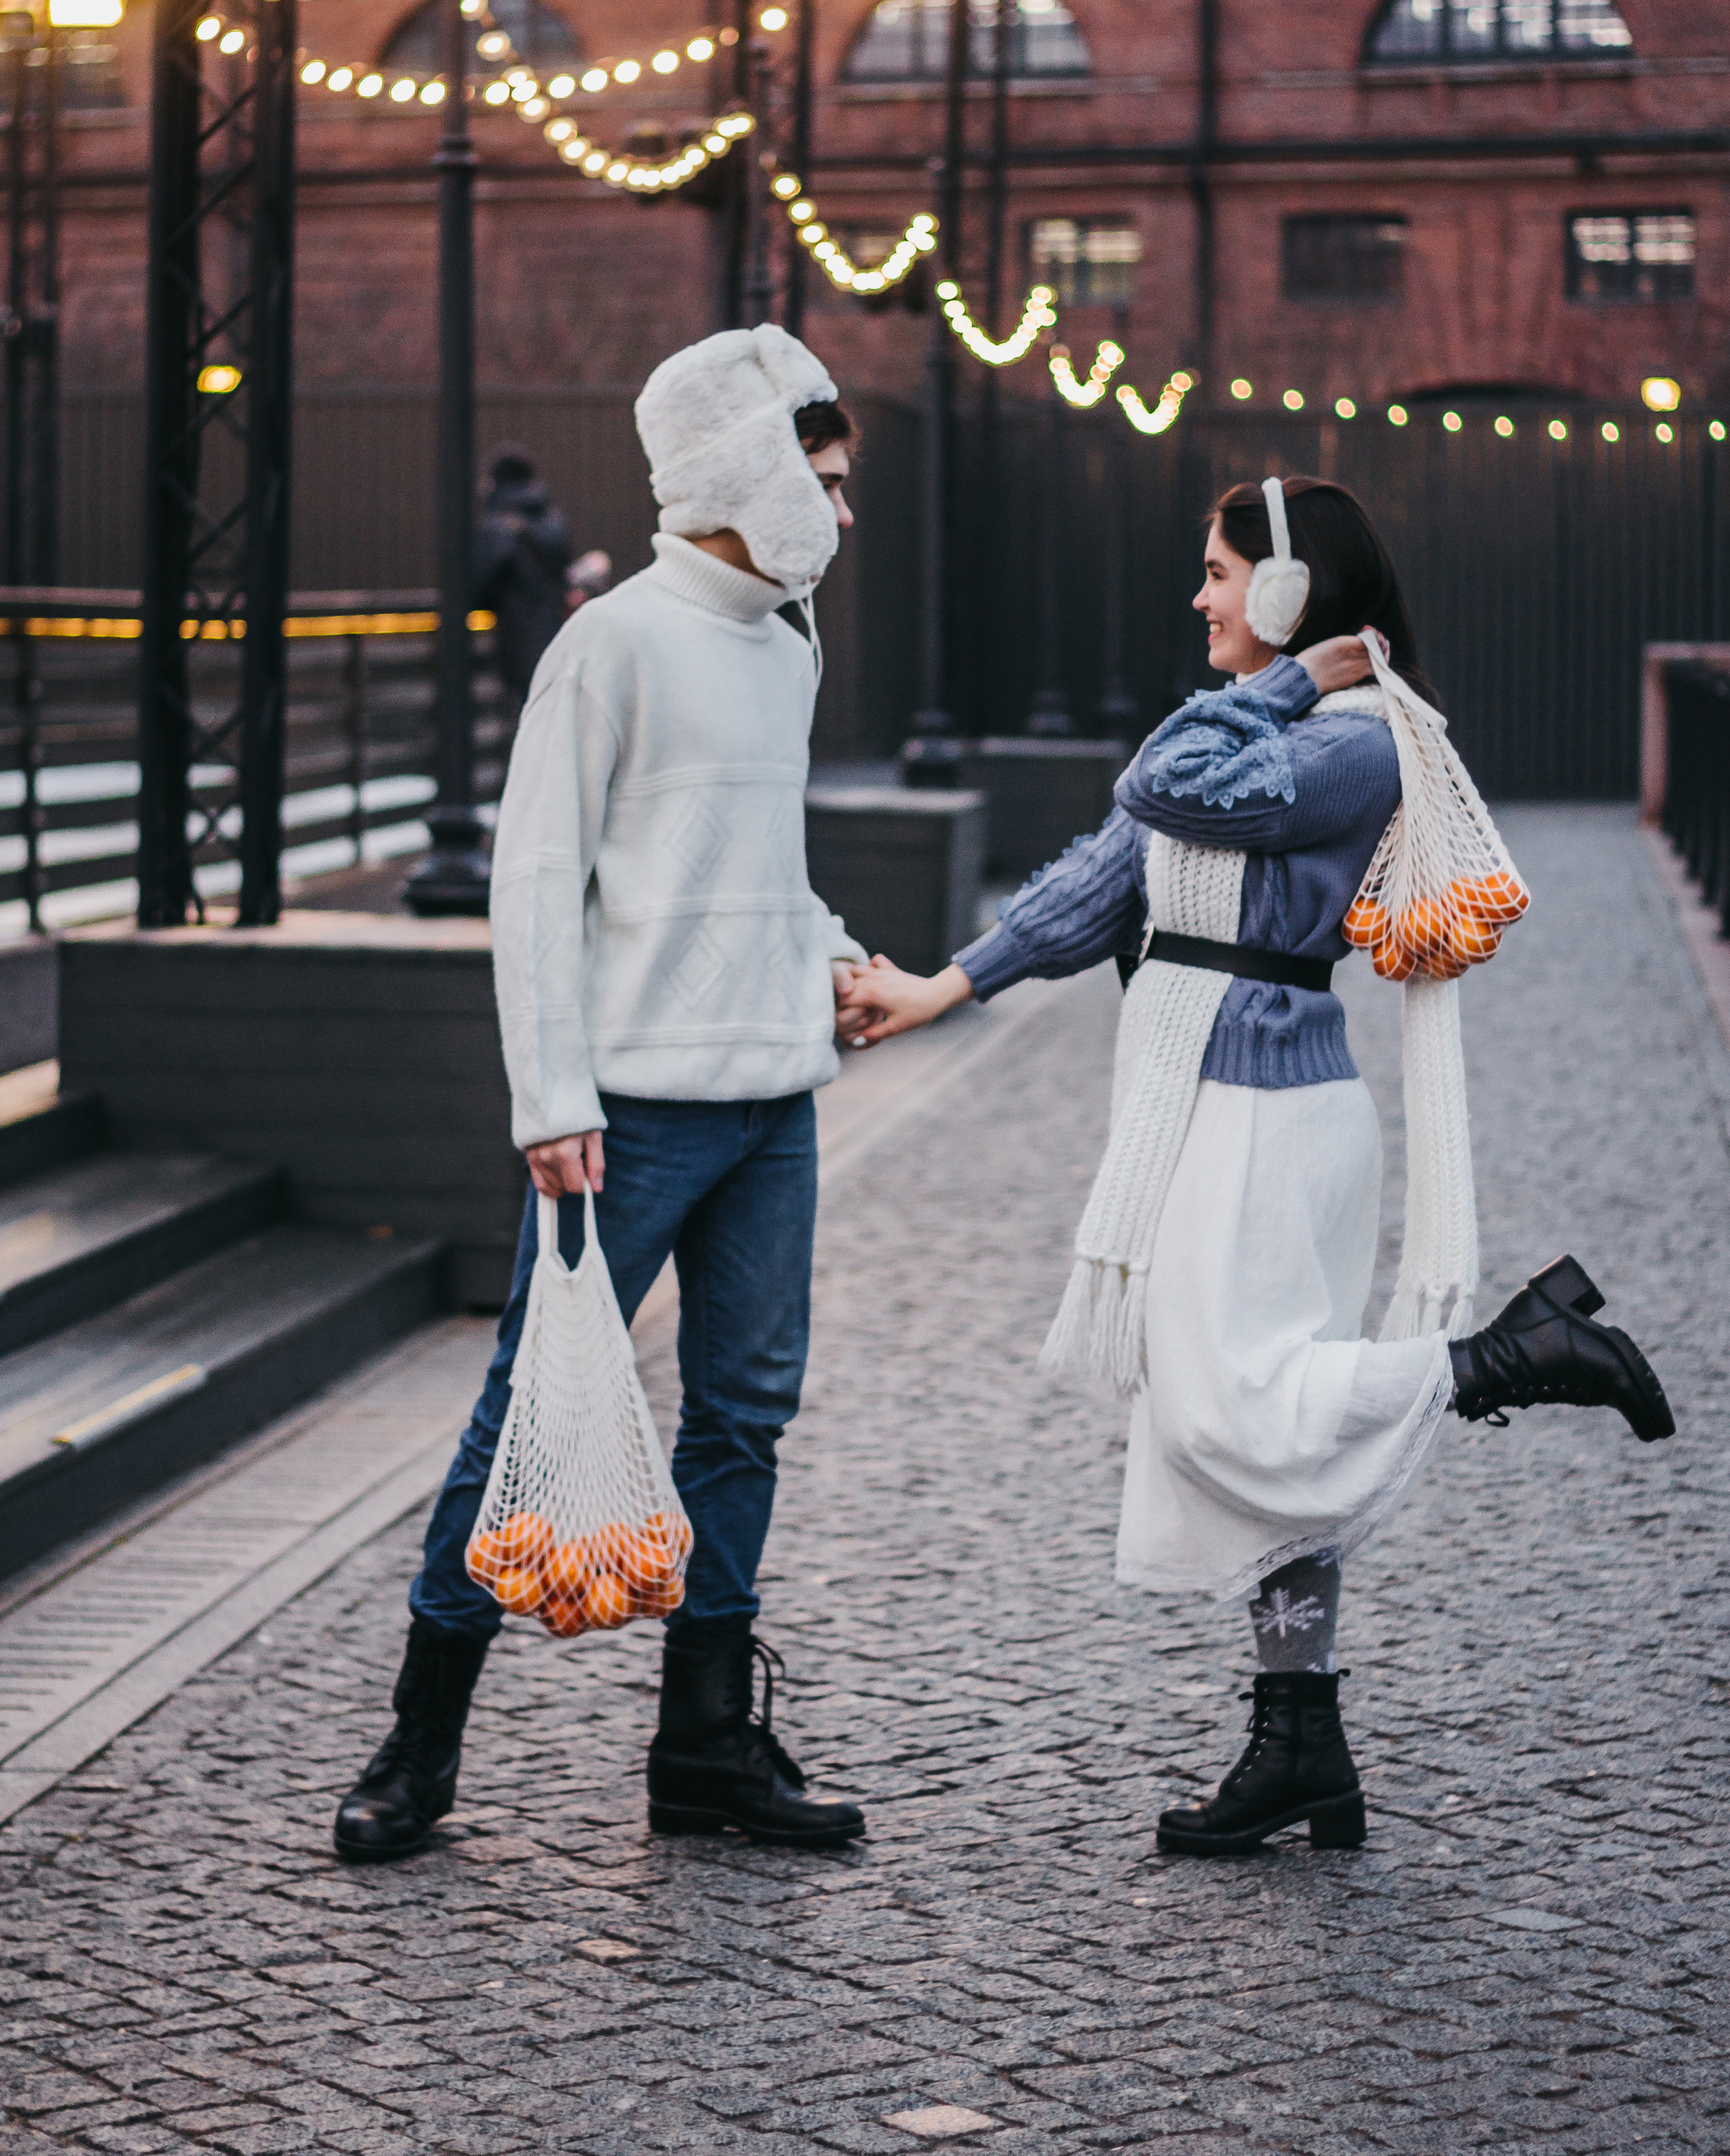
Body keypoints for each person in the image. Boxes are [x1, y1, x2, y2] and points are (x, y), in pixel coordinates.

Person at [846, 476, 1673, 1859]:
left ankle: (1506, 1357)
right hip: (1204, 1105)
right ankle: (1298, 1744)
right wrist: (944, 984)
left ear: (1290, 597)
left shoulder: (1350, 743)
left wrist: (1293, 681)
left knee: (1235, 1414)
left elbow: (1161, 779)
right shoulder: (1273, 730)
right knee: (1251, 1449)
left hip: (1265, 1117)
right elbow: (1107, 872)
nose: (1200, 598)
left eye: (1223, 574)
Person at [335, 326, 872, 1863]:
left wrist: (831, 955)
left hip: (774, 1105)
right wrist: (548, 1097)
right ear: (747, 471)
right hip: (623, 1119)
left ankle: (700, 1748)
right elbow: (530, 887)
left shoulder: (786, 642)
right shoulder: (611, 642)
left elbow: (752, 866)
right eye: (821, 481)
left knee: (744, 1417)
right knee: (524, 1411)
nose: (841, 515)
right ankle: (419, 1740)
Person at [473, 448, 576, 707]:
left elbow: (479, 585)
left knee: (524, 712)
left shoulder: (498, 527)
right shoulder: (552, 521)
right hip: (556, 629)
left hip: (518, 637)